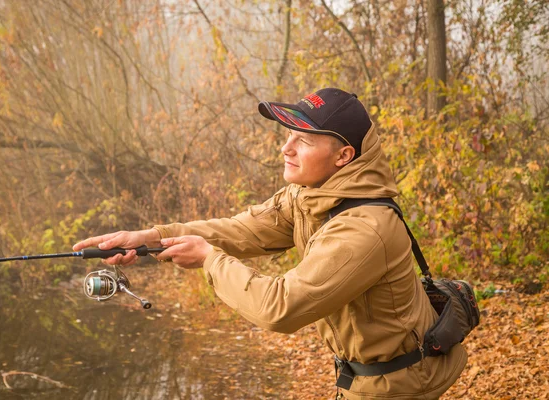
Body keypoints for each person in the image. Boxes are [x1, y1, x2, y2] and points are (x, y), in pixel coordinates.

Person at [73, 88, 467, 399]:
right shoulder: (310, 195)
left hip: (399, 385)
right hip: (369, 376)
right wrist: (151, 238)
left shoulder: (365, 229)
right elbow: (241, 230)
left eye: (304, 140)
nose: (286, 148)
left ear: (344, 156)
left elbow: (281, 308)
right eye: (288, 135)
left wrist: (210, 261)